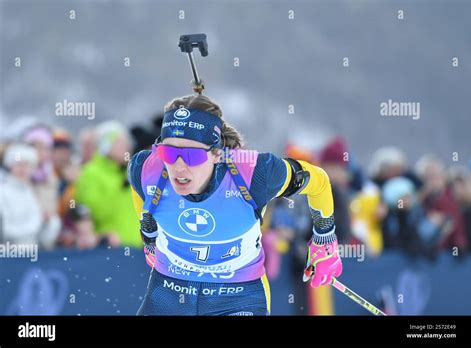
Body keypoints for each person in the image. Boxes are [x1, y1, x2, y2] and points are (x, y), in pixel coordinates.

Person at [128, 94, 343, 316]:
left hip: (239, 296)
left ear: (216, 154)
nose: (178, 166)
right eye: (169, 152)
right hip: (170, 293)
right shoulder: (146, 169)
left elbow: (318, 181)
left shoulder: (256, 174)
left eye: (191, 156)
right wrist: (149, 234)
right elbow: (140, 190)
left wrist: (324, 239)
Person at [75, 121, 141, 248]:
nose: (125, 148)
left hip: (138, 248)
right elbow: (94, 212)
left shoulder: (128, 172)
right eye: (118, 143)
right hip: (109, 248)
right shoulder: (91, 172)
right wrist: (120, 190)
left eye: (126, 143)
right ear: (105, 146)